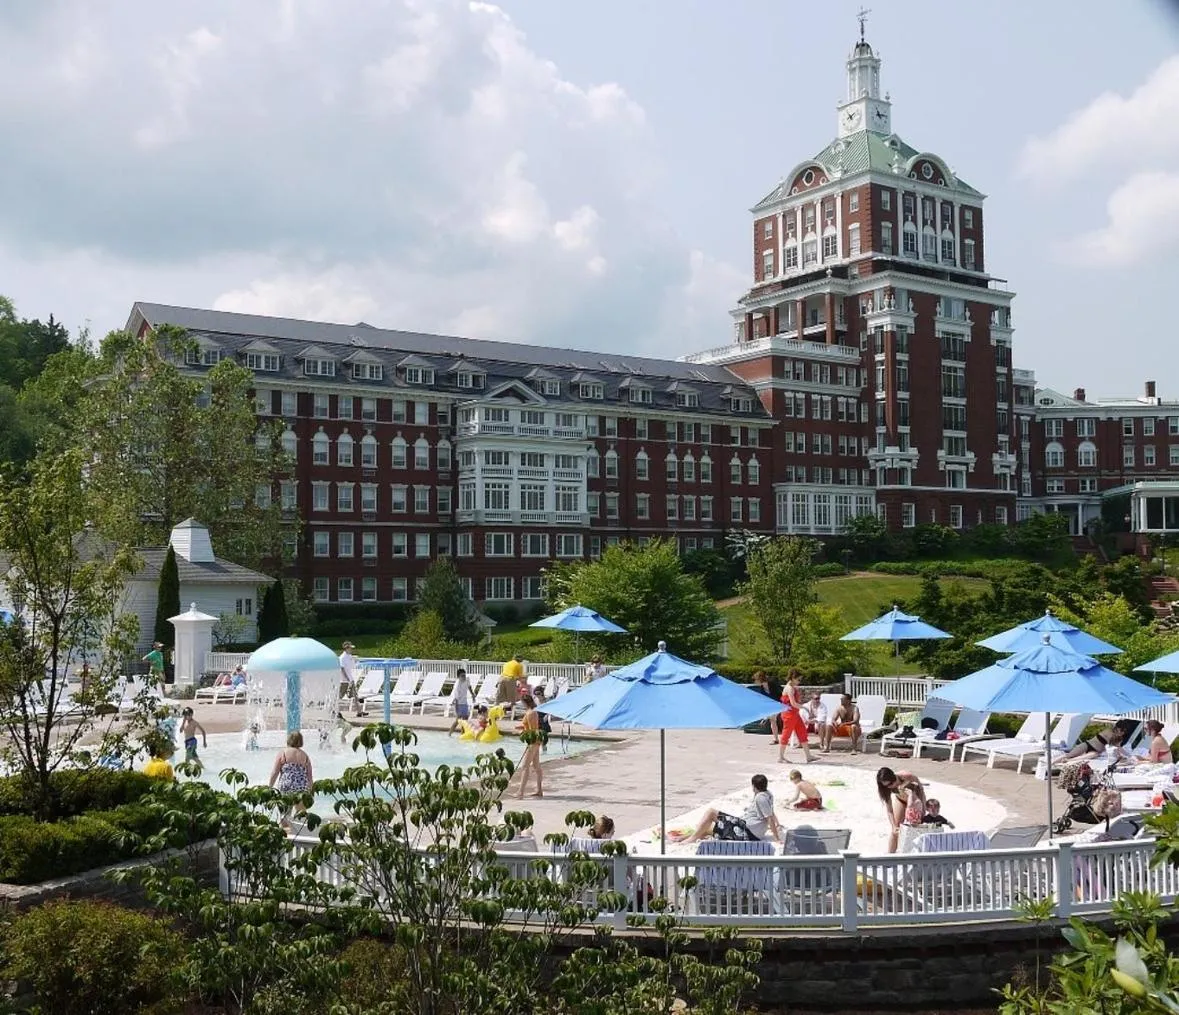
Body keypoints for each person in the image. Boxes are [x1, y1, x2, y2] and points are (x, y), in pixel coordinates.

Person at [680, 774, 782, 843]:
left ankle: (692, 838)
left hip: (748, 832)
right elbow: (770, 812)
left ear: (754, 786)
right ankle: (690, 837)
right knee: (712, 826)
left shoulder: (760, 798)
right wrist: (778, 824)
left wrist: (776, 838)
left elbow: (769, 818)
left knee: (711, 813)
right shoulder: (768, 794)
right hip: (749, 828)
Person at [269, 731, 314, 828]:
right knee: (301, 814)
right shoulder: (305, 755)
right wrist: (310, 790)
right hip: (301, 787)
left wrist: (270, 786)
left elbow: (275, 772)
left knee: (285, 814)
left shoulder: (283, 753)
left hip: (286, 786)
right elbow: (309, 776)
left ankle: (285, 832)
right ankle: (300, 833)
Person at [877, 767, 926, 853]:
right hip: (901, 800)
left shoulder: (906, 776)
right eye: (886, 786)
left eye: (891, 783)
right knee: (895, 830)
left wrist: (923, 807)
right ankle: (890, 854)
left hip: (915, 801)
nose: (890, 787)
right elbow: (889, 810)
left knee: (916, 827)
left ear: (894, 776)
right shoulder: (886, 788)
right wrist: (893, 826)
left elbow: (921, 790)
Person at [778, 669, 814, 764]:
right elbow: (793, 703)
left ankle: (808, 756)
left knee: (802, 732)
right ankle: (781, 757)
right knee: (786, 734)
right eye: (798, 679)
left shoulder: (792, 687)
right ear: (793, 678)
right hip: (789, 714)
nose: (799, 681)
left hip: (794, 714)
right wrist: (805, 708)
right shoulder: (789, 688)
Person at [1062, 719, 1138, 762]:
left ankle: (1069, 761)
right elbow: (1116, 747)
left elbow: (1118, 749)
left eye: (1124, 731)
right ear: (1117, 728)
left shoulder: (1118, 738)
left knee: (1094, 754)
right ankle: (1055, 762)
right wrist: (1128, 755)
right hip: (1087, 745)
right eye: (1122, 730)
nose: (1122, 733)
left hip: (1095, 752)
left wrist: (1128, 755)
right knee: (1068, 755)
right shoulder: (1108, 732)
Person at [515, 694, 543, 799]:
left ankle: (520, 792)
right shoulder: (532, 712)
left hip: (533, 741)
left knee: (525, 766)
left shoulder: (531, 713)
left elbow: (532, 730)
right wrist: (520, 727)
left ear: (525, 702)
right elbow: (529, 726)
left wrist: (522, 733)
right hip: (536, 741)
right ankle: (539, 790)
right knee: (536, 766)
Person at [752, 671, 781, 740]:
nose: (755, 682)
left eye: (756, 680)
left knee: (773, 719)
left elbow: (780, 693)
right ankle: (776, 739)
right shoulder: (762, 688)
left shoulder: (772, 683)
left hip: (781, 703)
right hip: (773, 705)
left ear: (760, 679)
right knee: (773, 720)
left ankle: (778, 739)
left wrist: (765, 717)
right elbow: (765, 701)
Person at [447, 668, 472, 736]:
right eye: (462, 676)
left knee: (465, 720)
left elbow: (469, 686)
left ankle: (462, 734)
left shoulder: (467, 679)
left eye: (464, 675)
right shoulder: (457, 686)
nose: (464, 677)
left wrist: (472, 694)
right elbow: (456, 700)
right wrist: (456, 710)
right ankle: (449, 734)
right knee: (457, 720)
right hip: (459, 704)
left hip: (465, 703)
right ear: (458, 677)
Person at [339, 642, 361, 716]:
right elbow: (342, 669)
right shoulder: (342, 658)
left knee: (355, 695)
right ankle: (334, 710)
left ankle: (359, 712)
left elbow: (353, 664)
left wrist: (355, 659)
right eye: (350, 648)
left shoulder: (349, 656)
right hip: (344, 680)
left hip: (350, 679)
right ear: (346, 649)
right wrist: (347, 678)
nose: (351, 649)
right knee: (340, 696)